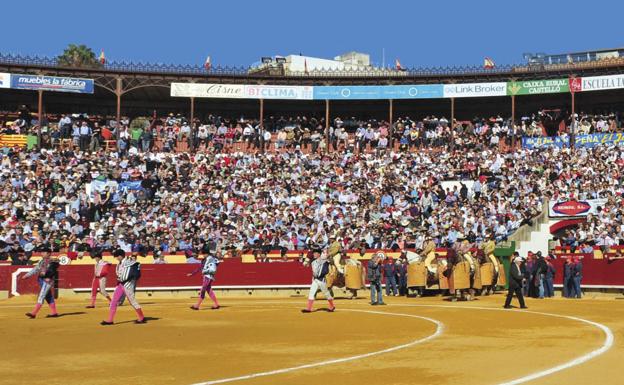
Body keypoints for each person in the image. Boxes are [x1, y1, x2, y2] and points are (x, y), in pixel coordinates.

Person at [101, 249, 146, 325]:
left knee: (132, 301)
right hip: (120, 284)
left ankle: (141, 317)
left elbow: (132, 271)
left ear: (120, 256)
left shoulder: (129, 262)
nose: (116, 258)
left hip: (128, 284)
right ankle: (110, 320)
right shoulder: (120, 263)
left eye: (117, 257)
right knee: (113, 301)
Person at [21, 249, 60, 319]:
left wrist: (46, 274)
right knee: (49, 296)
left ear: (49, 253)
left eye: (44, 252)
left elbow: (52, 270)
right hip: (41, 280)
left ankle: (33, 313)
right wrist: (27, 275)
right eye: (41, 252)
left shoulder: (53, 261)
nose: (42, 253)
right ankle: (54, 312)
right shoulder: (41, 261)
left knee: (41, 296)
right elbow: (35, 269)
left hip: (47, 280)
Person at [302, 249, 335, 313]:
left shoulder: (324, 260)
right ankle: (309, 308)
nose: (314, 254)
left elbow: (331, 262)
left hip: (321, 280)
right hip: (315, 279)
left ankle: (332, 306)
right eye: (314, 253)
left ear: (319, 254)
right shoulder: (313, 262)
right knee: (311, 292)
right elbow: (306, 265)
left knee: (326, 294)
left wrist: (328, 256)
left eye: (315, 253)